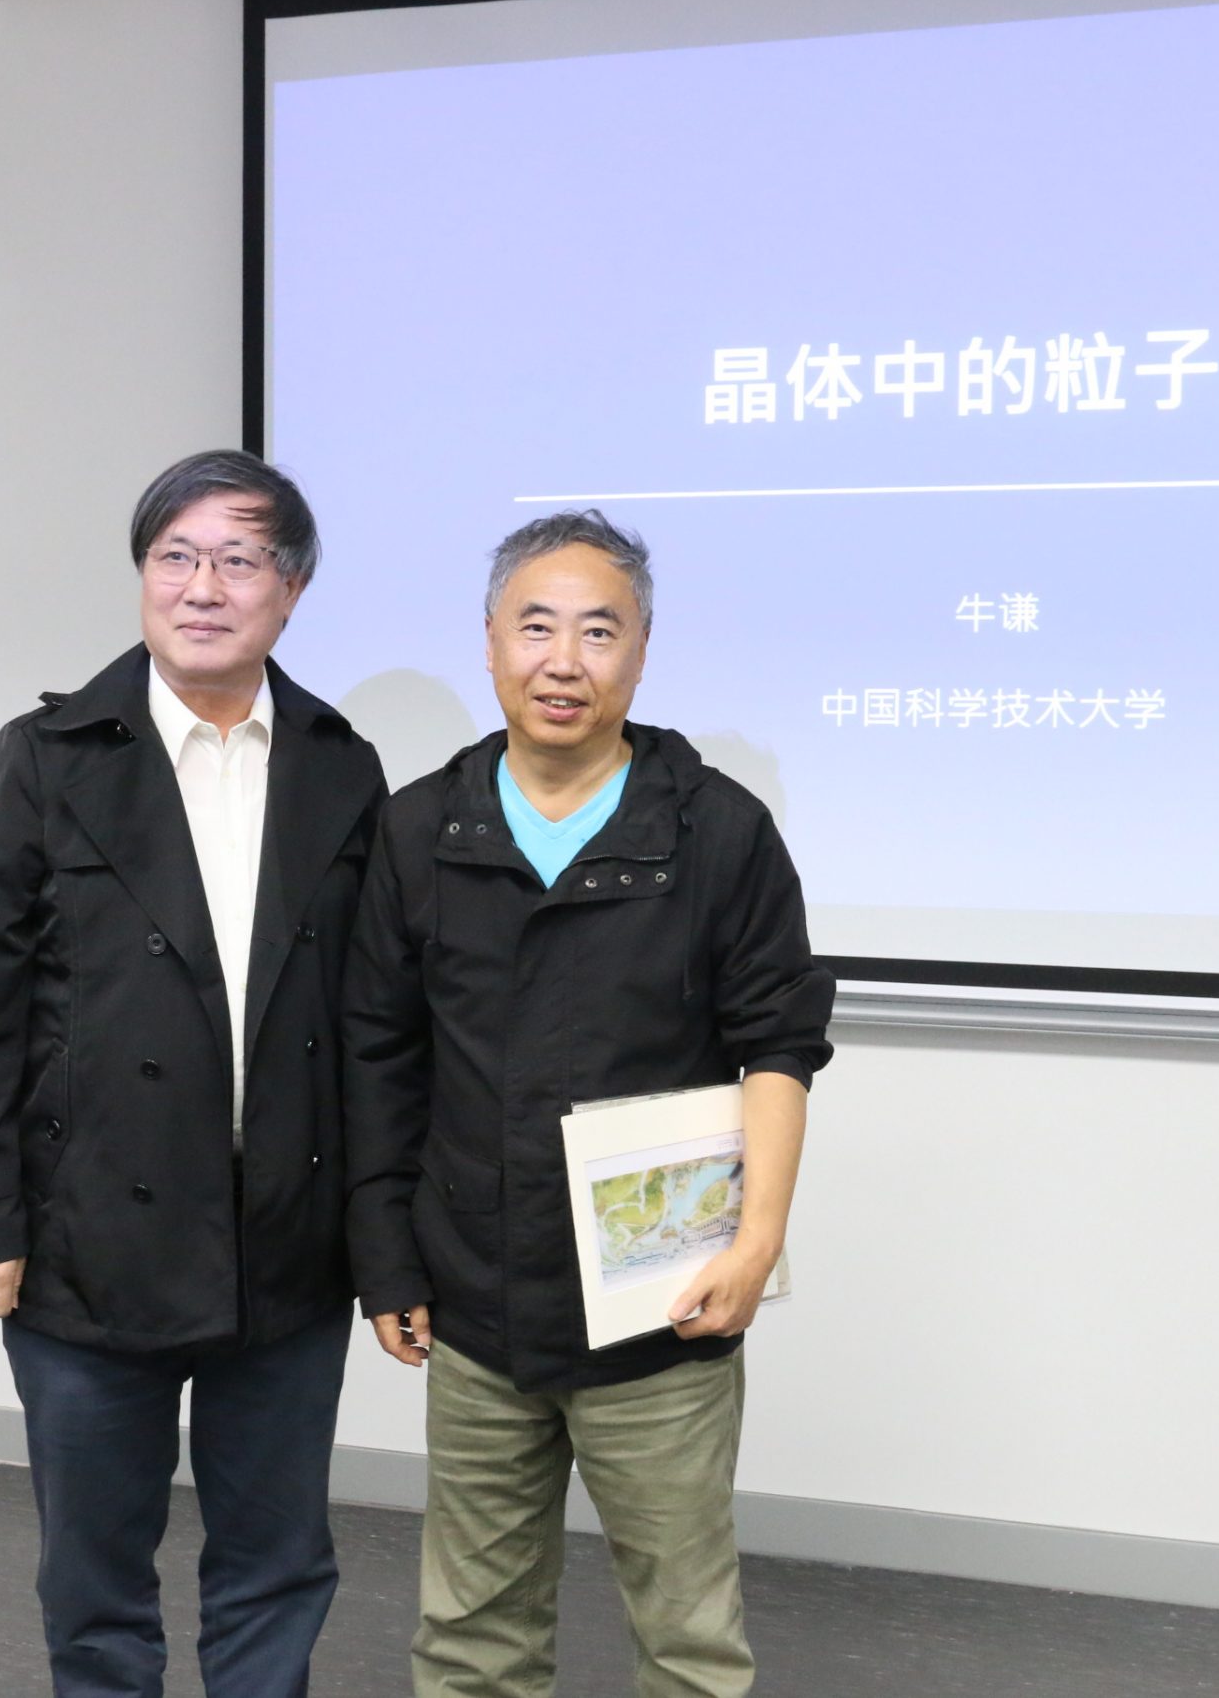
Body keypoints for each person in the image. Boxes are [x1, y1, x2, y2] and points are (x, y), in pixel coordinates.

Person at [0, 449, 386, 1697]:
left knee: (277, 1567)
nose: (201, 588)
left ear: (291, 589)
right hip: (86, 1243)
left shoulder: (340, 765)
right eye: (174, 556)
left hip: (286, 1246)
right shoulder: (46, 756)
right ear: (142, 577)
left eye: (238, 560)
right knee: (94, 1575)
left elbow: (371, 1023)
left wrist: (382, 1238)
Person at [343, 509, 835, 1698]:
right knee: (471, 1637)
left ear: (641, 652)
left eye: (598, 632)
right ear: (490, 642)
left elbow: (778, 1046)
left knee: (687, 1637)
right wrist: (386, 1260)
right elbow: (379, 1056)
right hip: (474, 1303)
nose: (564, 661)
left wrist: (755, 1243)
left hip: (660, 1306)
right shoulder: (420, 828)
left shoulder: (717, 831)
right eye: (537, 628)